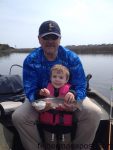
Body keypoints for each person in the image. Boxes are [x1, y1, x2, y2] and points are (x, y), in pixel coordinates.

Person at [12, 20, 102, 150]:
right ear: (39, 39)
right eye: (45, 37)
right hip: (40, 99)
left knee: (94, 112)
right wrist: (37, 99)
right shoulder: (31, 60)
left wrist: (74, 96)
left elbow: (81, 84)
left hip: (69, 98)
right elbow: (29, 88)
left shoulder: (71, 57)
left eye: (53, 37)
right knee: (18, 117)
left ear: (59, 39)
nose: (50, 41)